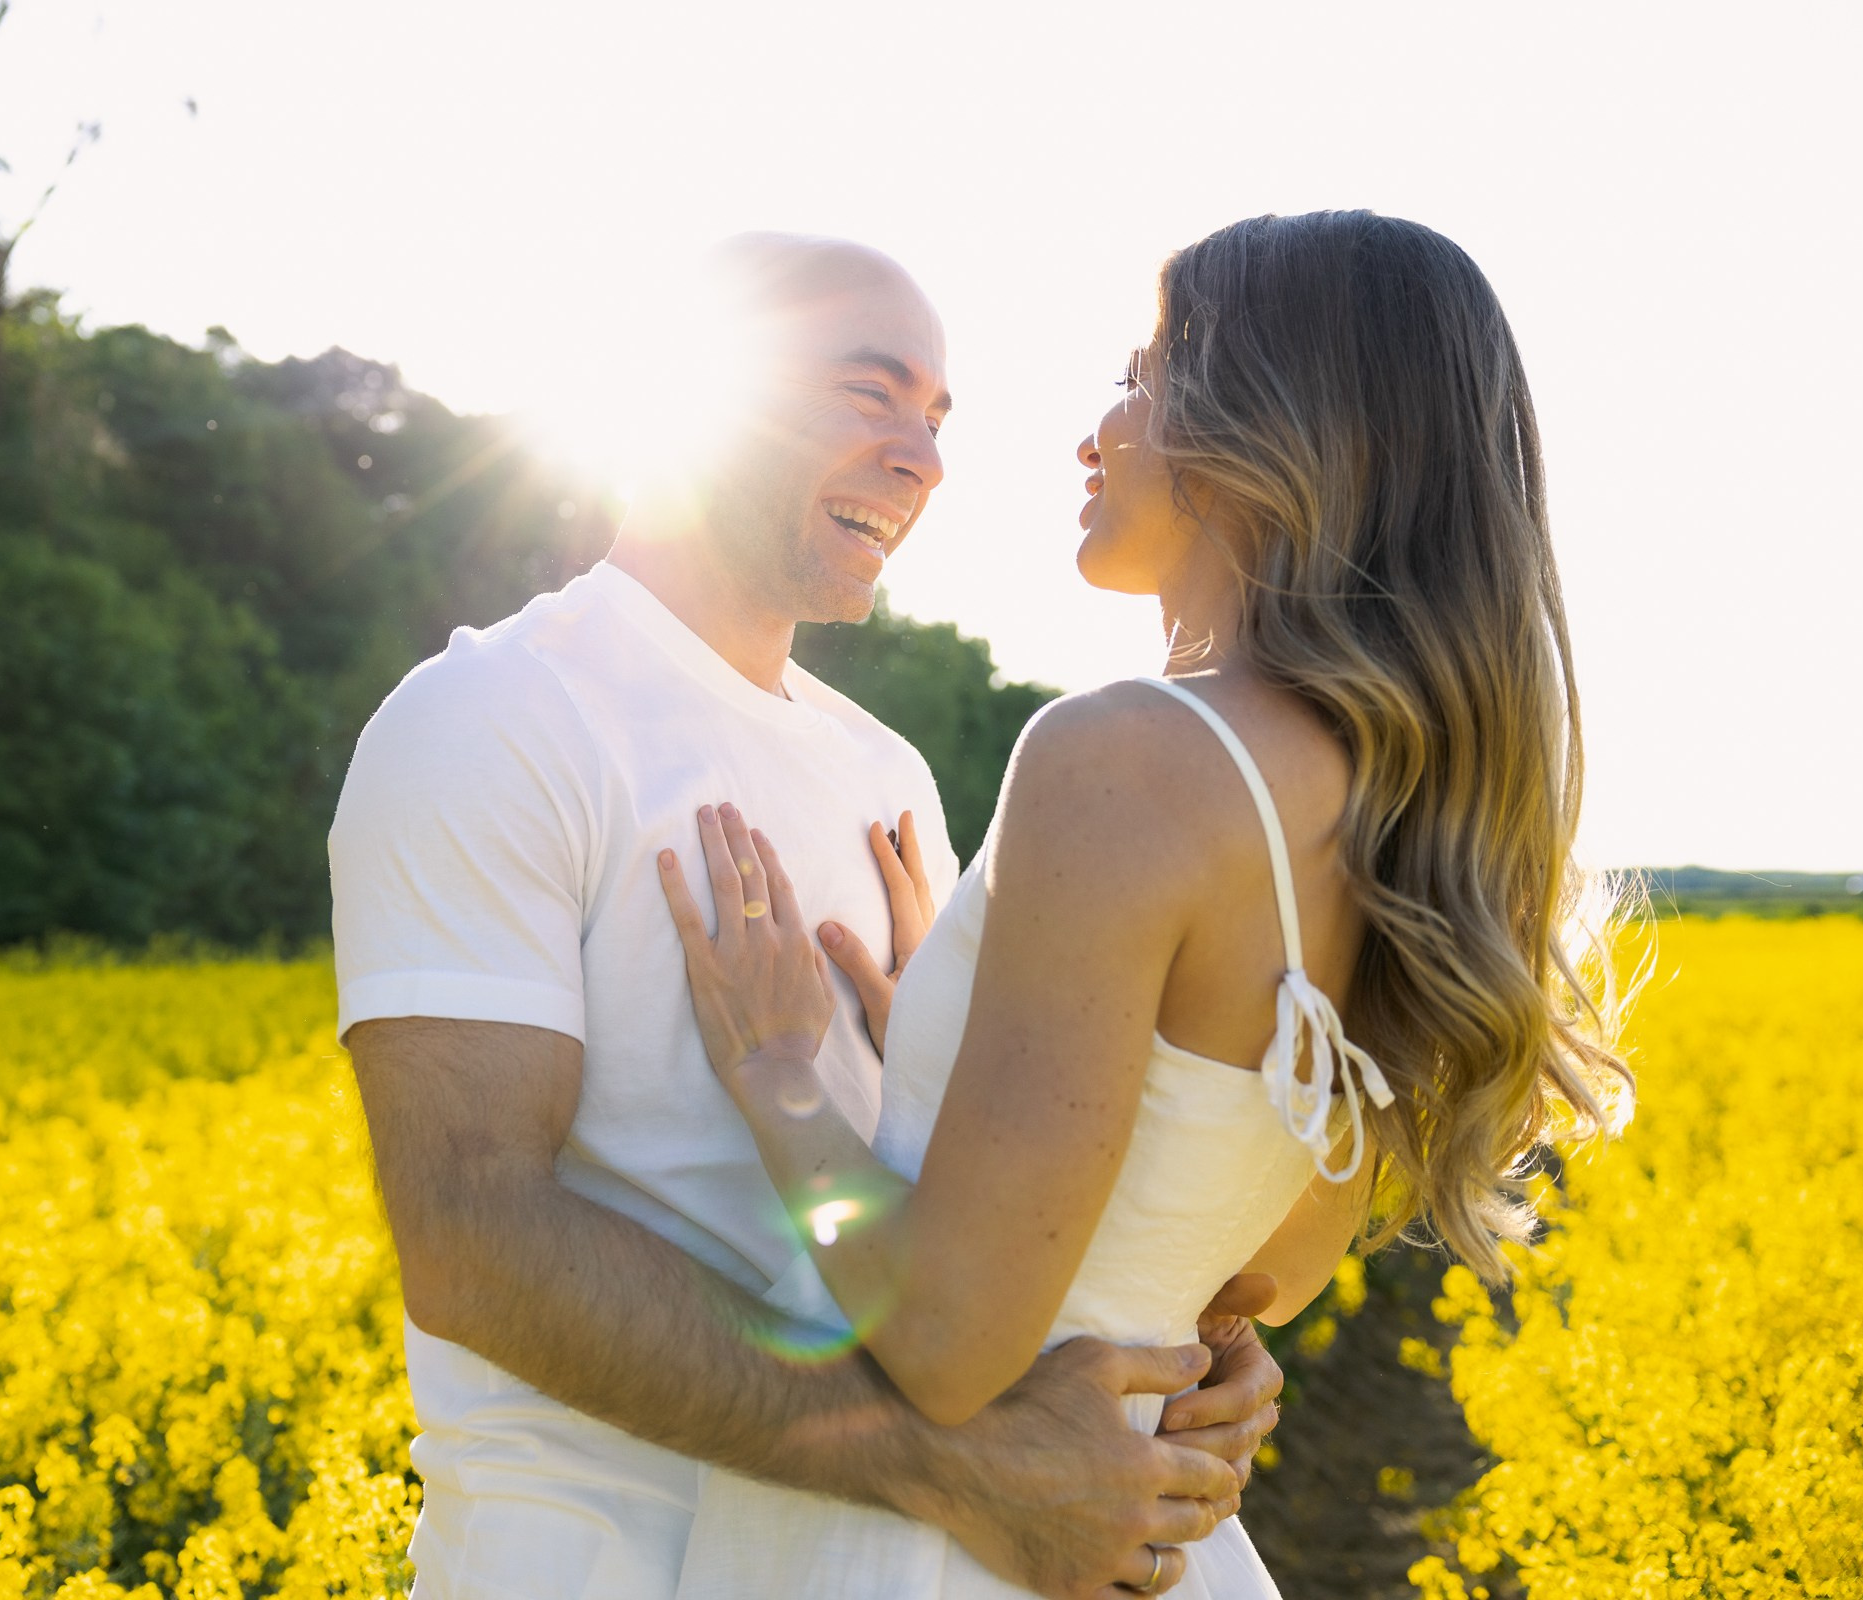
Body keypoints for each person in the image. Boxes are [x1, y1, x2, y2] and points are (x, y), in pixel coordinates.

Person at [654, 211, 1637, 1598]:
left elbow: (941, 1342)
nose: (1094, 431)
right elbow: (1255, 1290)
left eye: (1140, 374)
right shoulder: (1399, 804)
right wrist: (962, 1031)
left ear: (1264, 431)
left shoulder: (1124, 756)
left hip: (948, 1549)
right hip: (1160, 1544)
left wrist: (779, 1077)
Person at [330, 234, 1282, 1600]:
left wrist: (1183, 1344)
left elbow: (957, 1212)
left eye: (939, 418)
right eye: (869, 392)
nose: (925, 459)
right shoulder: (493, 718)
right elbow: (476, 1243)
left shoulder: (886, 774)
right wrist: (954, 1470)